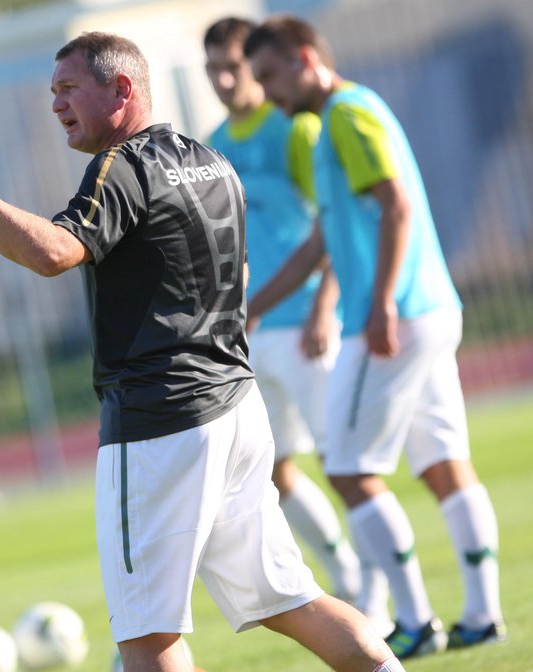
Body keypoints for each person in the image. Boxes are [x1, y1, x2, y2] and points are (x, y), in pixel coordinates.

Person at [0, 31, 404, 672]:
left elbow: (53, 251)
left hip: (161, 424)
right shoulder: (213, 160)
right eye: (53, 93)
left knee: (145, 635)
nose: (56, 106)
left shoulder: (121, 166)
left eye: (69, 89)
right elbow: (236, 276)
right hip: (237, 410)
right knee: (291, 600)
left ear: (122, 89)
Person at [242, 15, 506, 660]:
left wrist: (382, 300)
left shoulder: (346, 115)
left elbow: (396, 204)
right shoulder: (336, 119)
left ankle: (415, 620)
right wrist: (251, 307)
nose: (269, 92)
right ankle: (482, 614)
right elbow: (322, 241)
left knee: (350, 471)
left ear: (306, 58)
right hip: (431, 309)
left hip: (391, 319)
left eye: (272, 75)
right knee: (443, 464)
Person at [203, 16, 371, 613]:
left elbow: (332, 226)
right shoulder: (212, 145)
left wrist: (326, 305)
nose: (225, 80)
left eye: (234, 66)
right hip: (251, 331)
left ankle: (382, 599)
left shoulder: (294, 130)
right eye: (213, 70)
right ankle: (349, 579)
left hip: (305, 325)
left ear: (257, 63)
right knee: (274, 471)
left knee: (344, 463)